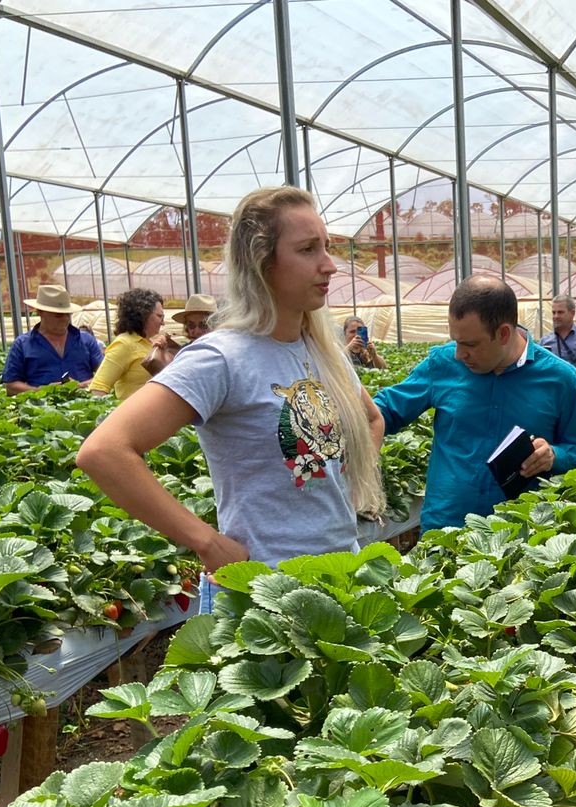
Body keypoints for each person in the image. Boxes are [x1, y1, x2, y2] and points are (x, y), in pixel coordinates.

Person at [76, 185, 385, 609]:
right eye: (309, 249)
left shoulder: (322, 349)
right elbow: (103, 451)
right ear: (263, 263)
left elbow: (372, 419)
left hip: (339, 581)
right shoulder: (222, 357)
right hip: (259, 595)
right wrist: (205, 541)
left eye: (327, 247)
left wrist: (346, 495)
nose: (329, 265)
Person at [373, 275, 576, 530]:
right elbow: (385, 411)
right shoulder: (443, 364)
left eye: (470, 344)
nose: (459, 354)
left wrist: (555, 456)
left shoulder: (559, 378)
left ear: (503, 334)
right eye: (456, 341)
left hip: (518, 535)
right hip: (445, 529)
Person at [0, 284, 104, 395]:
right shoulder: (22, 344)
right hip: (40, 409)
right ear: (40, 312)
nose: (65, 319)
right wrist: (43, 391)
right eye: (58, 315)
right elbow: (11, 386)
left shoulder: (87, 340)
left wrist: (79, 386)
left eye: (67, 314)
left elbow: (105, 375)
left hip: (85, 407)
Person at [89, 288, 175, 401]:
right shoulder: (124, 344)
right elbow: (98, 388)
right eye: (160, 316)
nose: (163, 322)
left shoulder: (151, 343)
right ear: (143, 315)